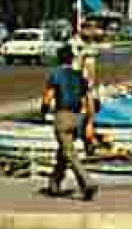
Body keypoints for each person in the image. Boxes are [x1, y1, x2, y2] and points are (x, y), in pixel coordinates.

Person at [41, 45, 96, 201]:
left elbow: (47, 98)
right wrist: (89, 122)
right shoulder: (79, 77)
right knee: (63, 152)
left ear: (58, 59)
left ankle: (87, 183)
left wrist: (44, 112)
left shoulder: (56, 75)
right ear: (72, 59)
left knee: (69, 153)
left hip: (63, 117)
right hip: (79, 117)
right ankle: (54, 183)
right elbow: (89, 101)